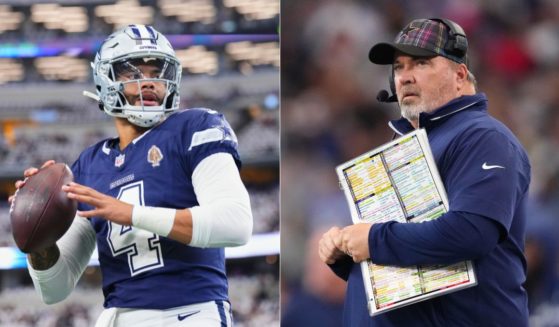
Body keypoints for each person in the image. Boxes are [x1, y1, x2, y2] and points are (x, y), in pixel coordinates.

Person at [10, 25, 253, 327]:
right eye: (133, 73)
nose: (149, 82)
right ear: (105, 80)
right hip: (119, 318)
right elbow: (55, 289)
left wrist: (130, 213)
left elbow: (236, 224)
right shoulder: (88, 165)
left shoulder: (196, 127)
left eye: (157, 72)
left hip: (191, 313)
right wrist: (38, 233)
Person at [318, 18, 531, 326]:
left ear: (460, 75)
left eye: (420, 63)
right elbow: (410, 252)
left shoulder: (483, 137)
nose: (405, 77)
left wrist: (374, 239)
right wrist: (349, 250)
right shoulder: (409, 145)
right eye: (399, 67)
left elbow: (472, 232)